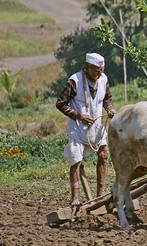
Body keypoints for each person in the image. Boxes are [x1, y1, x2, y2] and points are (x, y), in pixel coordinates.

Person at [56, 53, 116, 205]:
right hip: (78, 128)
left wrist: (109, 109)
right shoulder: (74, 81)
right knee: (76, 160)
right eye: (96, 70)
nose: (99, 73)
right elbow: (61, 103)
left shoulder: (104, 79)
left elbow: (107, 99)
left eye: (101, 70)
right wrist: (78, 116)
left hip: (97, 128)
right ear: (87, 67)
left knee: (104, 155)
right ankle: (75, 198)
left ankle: (100, 195)